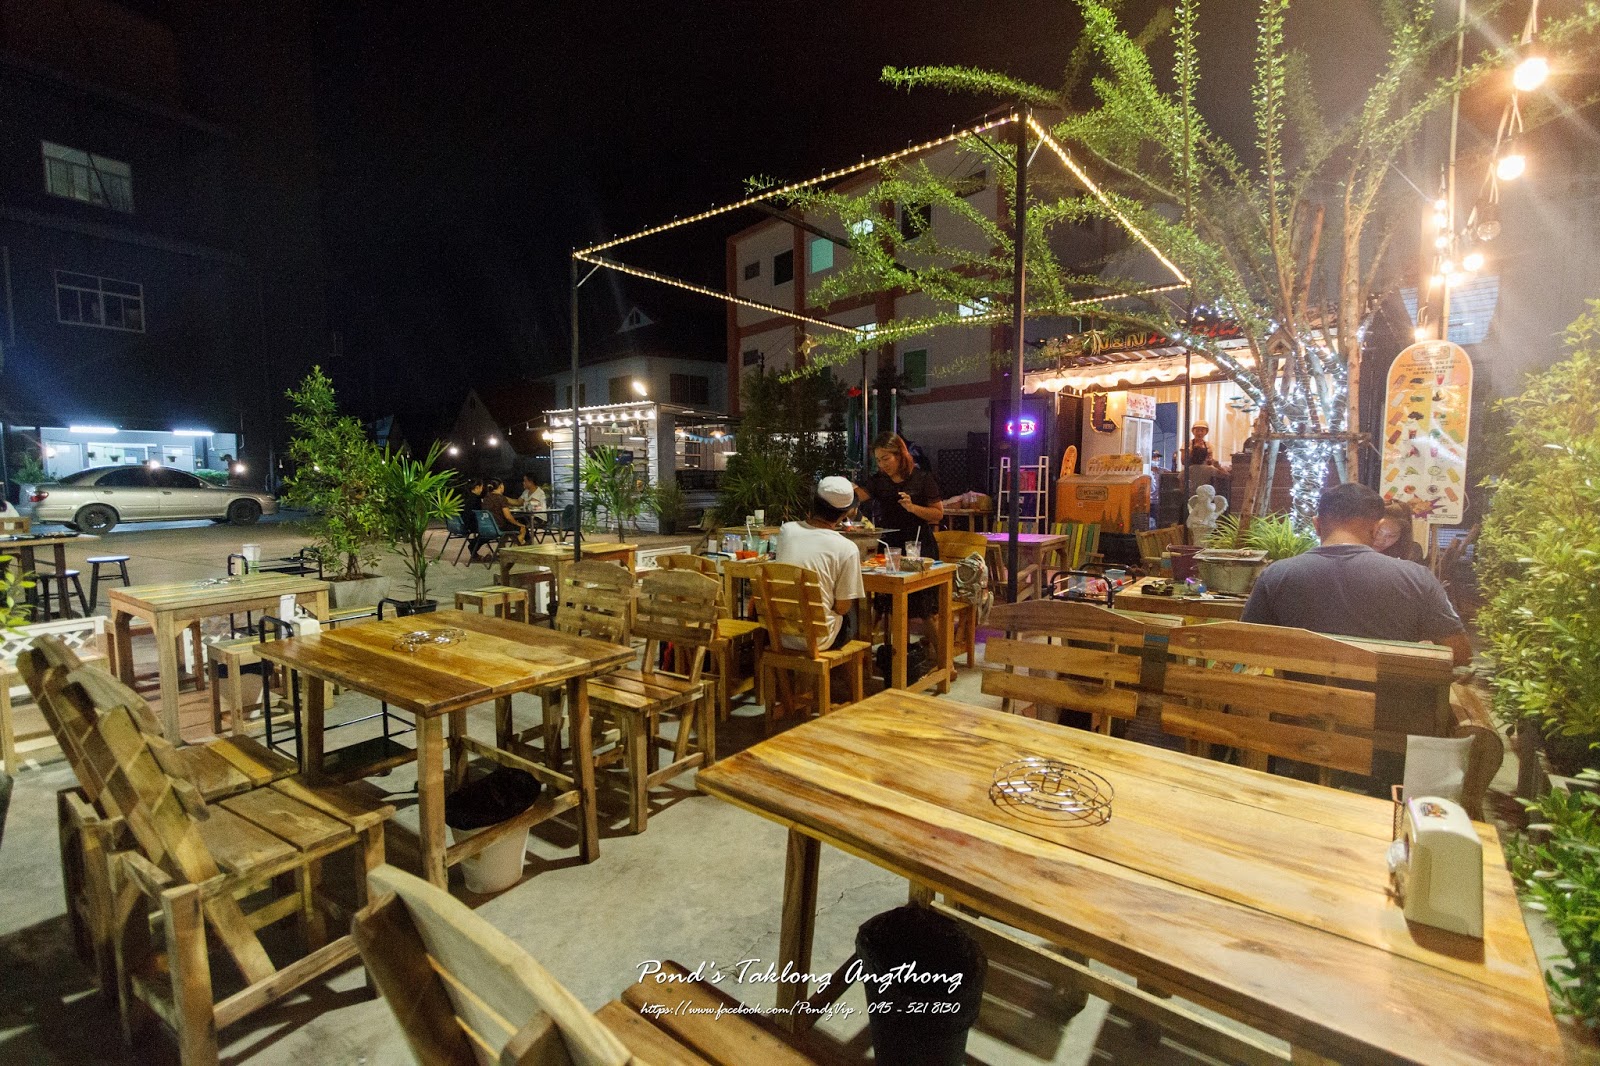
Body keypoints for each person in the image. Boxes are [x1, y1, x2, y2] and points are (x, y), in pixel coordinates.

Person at [1241, 482, 1470, 665]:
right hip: (1387, 708)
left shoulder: (1275, 575)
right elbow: (1460, 654)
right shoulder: (1417, 578)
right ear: (1376, 528)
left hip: (1299, 706)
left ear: (1317, 525)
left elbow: (1246, 646)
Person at [854, 431, 945, 658]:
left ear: (900, 455)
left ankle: (944, 661)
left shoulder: (922, 479)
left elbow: (938, 514)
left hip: (918, 545)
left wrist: (913, 508)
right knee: (882, 602)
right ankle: (861, 658)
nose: (882, 465)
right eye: (878, 460)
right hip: (890, 545)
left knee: (924, 609)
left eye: (886, 458)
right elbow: (855, 498)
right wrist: (843, 490)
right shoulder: (879, 481)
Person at [774, 476, 865, 651]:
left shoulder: (786, 531)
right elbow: (842, 608)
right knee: (852, 613)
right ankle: (848, 669)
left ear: (814, 502)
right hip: (819, 640)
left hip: (779, 633)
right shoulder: (847, 548)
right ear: (845, 513)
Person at [479, 478, 526, 545]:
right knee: (522, 528)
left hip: (489, 526)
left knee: (509, 530)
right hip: (500, 526)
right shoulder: (501, 498)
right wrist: (518, 524)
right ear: (501, 486)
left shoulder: (486, 498)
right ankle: (516, 547)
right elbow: (508, 517)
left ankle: (501, 549)